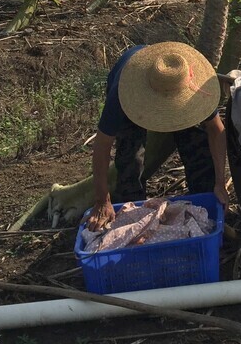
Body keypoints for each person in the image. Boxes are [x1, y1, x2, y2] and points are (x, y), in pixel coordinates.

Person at [86, 41, 228, 231]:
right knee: (130, 156)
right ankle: (133, 216)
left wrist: (220, 183)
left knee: (197, 142)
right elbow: (102, 145)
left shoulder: (196, 87)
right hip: (135, 98)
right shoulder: (123, 93)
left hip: (183, 95)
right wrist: (102, 199)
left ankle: (204, 202)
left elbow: (216, 130)